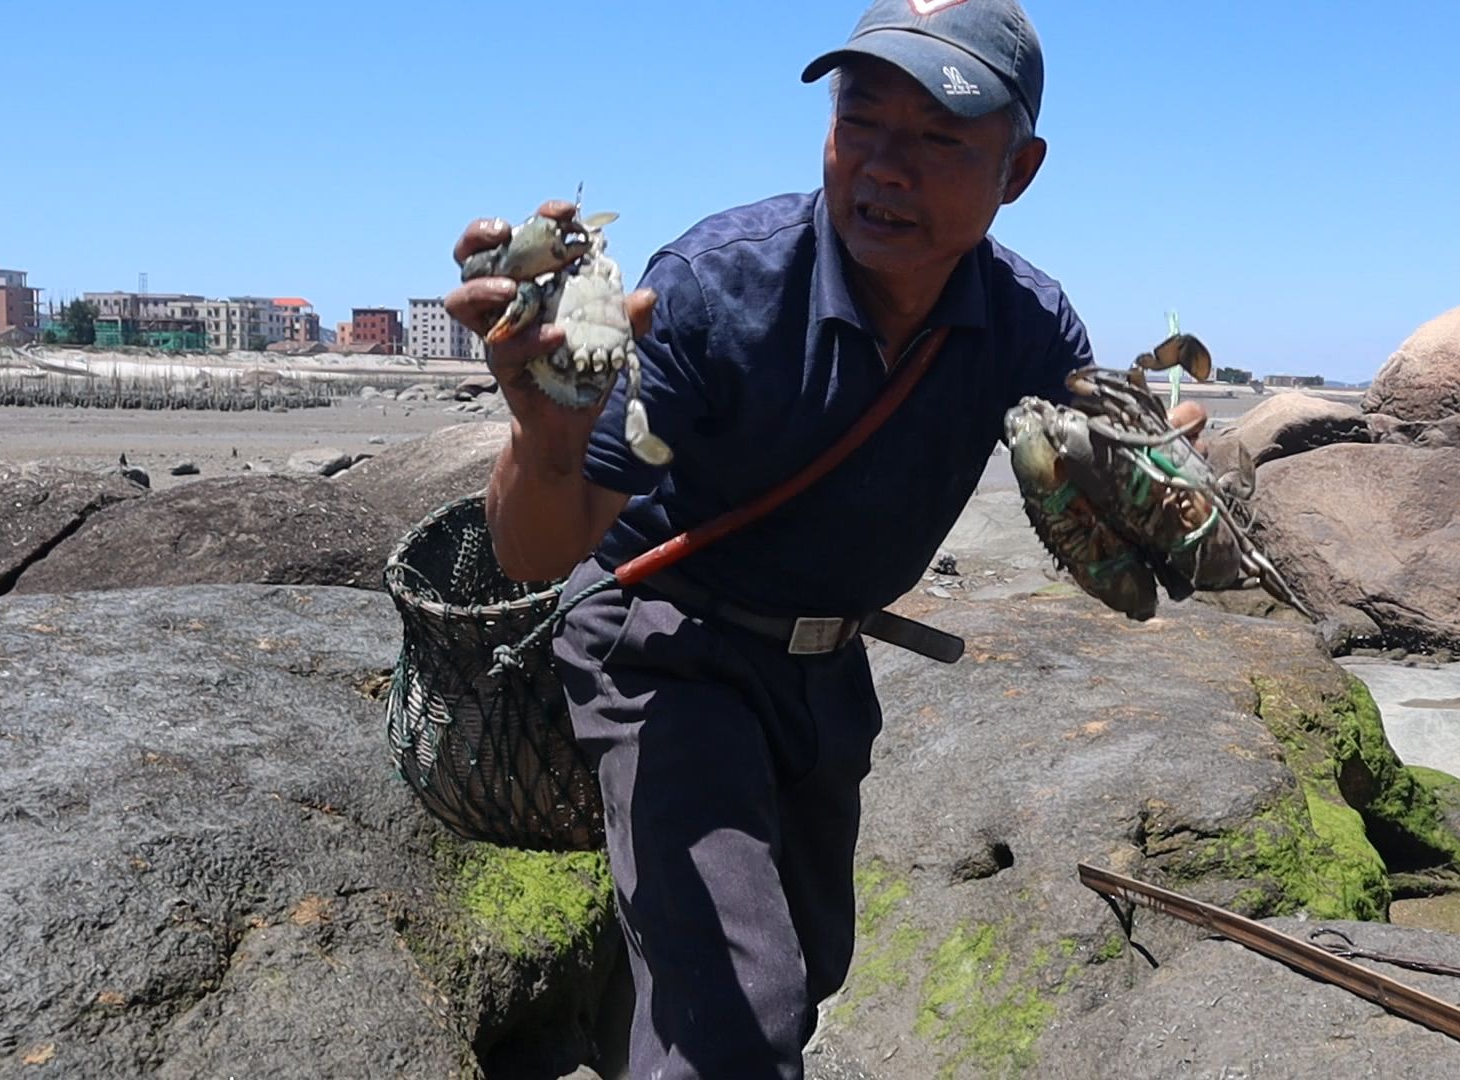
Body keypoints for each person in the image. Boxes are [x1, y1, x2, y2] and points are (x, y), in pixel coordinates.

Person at [444, 2, 1207, 1075]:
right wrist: (545, 432)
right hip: (669, 646)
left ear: (1018, 170)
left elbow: (1124, 518)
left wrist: (1166, 478)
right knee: (738, 1025)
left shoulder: (1029, 325)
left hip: (823, 668)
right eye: (863, 119)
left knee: (808, 970)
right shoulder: (714, 289)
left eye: (941, 139)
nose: (888, 167)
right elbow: (538, 552)